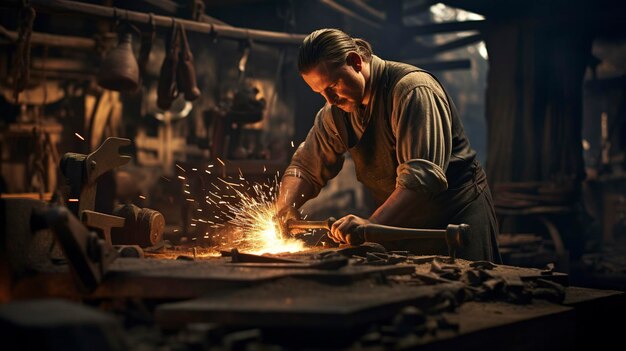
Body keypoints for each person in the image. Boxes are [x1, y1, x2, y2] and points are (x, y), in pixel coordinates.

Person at [276, 28, 501, 262]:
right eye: (321, 92)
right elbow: (304, 167)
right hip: (400, 224)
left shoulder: (412, 90)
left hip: (455, 223)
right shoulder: (335, 112)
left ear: (355, 61)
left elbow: (421, 180)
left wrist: (372, 225)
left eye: (332, 86)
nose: (330, 100)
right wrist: (285, 208)